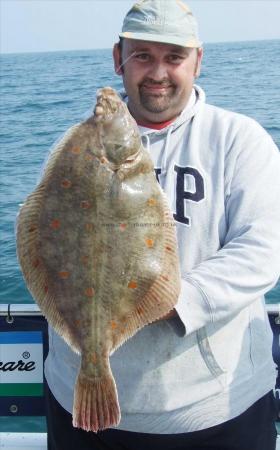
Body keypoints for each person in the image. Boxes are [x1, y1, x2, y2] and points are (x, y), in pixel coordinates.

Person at [44, 1, 280, 449]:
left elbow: (264, 247)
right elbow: (46, 234)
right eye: (142, 56)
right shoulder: (72, 148)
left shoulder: (239, 140)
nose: (157, 72)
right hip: (78, 401)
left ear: (197, 61)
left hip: (211, 409)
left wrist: (173, 303)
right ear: (119, 58)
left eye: (173, 57)